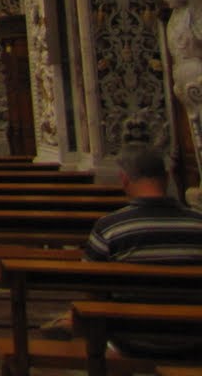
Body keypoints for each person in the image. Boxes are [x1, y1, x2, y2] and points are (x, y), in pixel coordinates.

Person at [63, 143, 202, 359]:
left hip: (130, 339)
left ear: (124, 179)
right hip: (195, 337)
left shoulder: (109, 227)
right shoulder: (198, 224)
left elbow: (90, 285)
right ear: (167, 177)